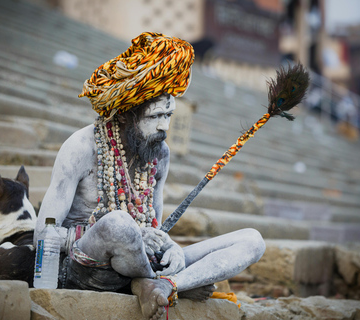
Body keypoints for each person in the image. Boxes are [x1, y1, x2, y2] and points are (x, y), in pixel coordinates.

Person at [35, 32, 265, 320]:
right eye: (155, 117)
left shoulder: (160, 153)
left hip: (141, 262)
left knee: (252, 240)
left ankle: (169, 284)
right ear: (124, 115)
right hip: (86, 266)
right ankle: (155, 282)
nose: (164, 127)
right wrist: (128, 233)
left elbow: (155, 228)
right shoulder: (81, 147)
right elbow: (42, 234)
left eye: (169, 115)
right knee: (119, 224)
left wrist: (170, 248)